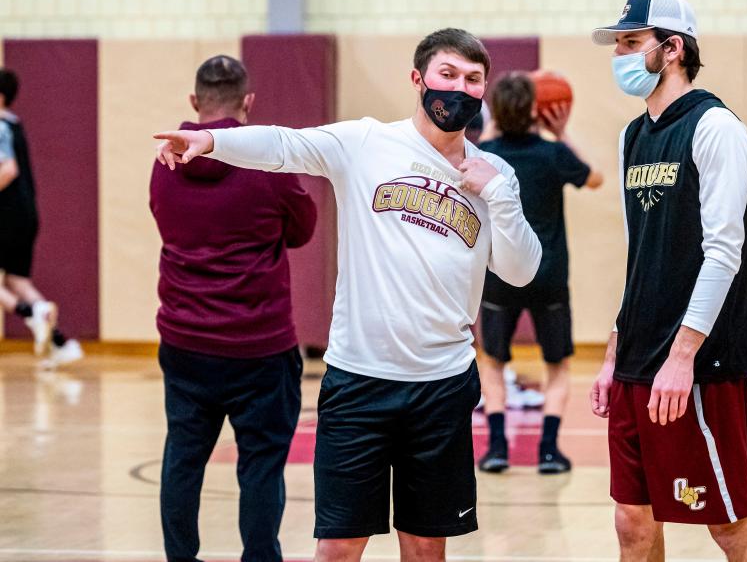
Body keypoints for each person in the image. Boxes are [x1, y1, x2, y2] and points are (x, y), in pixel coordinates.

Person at [154, 29, 542, 562]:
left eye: (472, 79)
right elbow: (285, 144)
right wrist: (212, 141)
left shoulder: (496, 175)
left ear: (483, 91)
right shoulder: (365, 143)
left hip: (442, 385)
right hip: (358, 381)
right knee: (338, 544)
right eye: (447, 74)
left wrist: (497, 191)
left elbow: (521, 271)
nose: (458, 88)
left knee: (426, 545)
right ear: (418, 80)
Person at [588, 0, 747, 560]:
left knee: (726, 523)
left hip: (698, 362)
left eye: (630, 41)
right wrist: (614, 349)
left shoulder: (716, 128)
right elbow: (638, 255)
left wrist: (683, 355)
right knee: (631, 520)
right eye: (617, 42)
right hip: (639, 357)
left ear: (671, 48)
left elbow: (724, 252)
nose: (619, 53)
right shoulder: (631, 137)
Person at [150, 55, 317, 562]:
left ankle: (180, 557)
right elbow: (302, 230)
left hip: (185, 344)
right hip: (259, 347)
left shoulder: (166, 165)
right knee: (261, 467)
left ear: (195, 103)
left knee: (183, 457)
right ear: (248, 103)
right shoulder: (268, 166)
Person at [475, 72, 603, 474]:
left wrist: (494, 127)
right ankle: (548, 450)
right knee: (557, 366)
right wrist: (561, 133)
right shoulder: (553, 154)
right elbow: (595, 179)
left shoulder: (485, 156)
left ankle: (497, 448)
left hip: (499, 275)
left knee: (493, 364)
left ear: (494, 112)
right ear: (536, 110)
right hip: (548, 276)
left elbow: (466, 164)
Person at [0, 68, 83, 366]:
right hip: (25, 215)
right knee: (18, 281)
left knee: (13, 284)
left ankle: (29, 314)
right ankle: (62, 344)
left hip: (6, 215)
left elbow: (7, 170)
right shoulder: (15, 125)